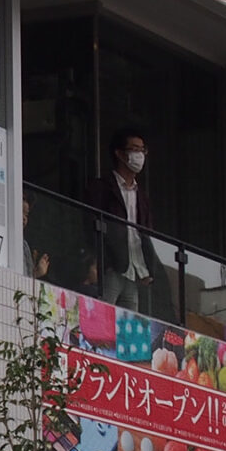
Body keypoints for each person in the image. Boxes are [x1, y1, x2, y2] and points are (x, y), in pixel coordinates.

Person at [84, 131, 161, 316]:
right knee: (103, 317)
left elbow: (146, 233)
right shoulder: (102, 187)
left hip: (134, 272)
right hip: (111, 267)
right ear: (119, 153)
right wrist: (99, 260)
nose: (139, 155)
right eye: (134, 149)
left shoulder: (141, 195)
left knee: (129, 327)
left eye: (142, 150)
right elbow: (90, 224)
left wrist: (148, 268)